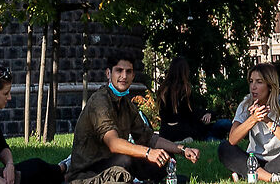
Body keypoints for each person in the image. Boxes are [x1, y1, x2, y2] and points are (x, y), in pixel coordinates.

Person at [70, 52, 199, 184]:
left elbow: (148, 137)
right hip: (88, 172)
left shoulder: (126, 104)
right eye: (119, 71)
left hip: (114, 163)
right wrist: (148, 153)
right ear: (108, 73)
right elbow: (113, 143)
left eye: (128, 72)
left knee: (165, 157)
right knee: (126, 160)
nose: (124, 76)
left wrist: (182, 149)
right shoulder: (100, 101)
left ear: (133, 76)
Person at [222, 63, 280, 181]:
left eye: (259, 82)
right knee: (225, 148)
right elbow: (232, 139)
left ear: (270, 85)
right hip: (253, 158)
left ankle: (248, 174)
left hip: (278, 158)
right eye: (251, 81)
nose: (253, 87)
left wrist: (267, 120)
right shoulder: (246, 104)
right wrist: (253, 119)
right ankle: (271, 177)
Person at [159, 54, 220, 141]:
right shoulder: (185, 90)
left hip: (166, 132)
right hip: (185, 131)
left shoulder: (163, 90)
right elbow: (191, 112)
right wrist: (208, 114)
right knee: (222, 126)